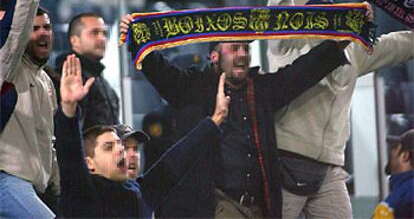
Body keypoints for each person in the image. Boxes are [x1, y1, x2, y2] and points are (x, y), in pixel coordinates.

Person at [121, 14, 351, 218]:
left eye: (246, 48)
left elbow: (299, 73)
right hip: (219, 206)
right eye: (234, 48)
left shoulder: (260, 89)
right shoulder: (196, 87)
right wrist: (137, 38)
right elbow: (164, 74)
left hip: (260, 207)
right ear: (214, 57)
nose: (242, 55)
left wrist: (338, 44)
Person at [266, 0, 414, 219]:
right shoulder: (285, 42)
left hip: (330, 170)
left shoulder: (352, 50)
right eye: (318, 14)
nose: (326, 19)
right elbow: (279, 0)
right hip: (285, 161)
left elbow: (401, 45)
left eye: (331, 14)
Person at [55, 54, 229, 218]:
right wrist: (68, 109)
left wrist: (216, 119)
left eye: (119, 145)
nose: (120, 151)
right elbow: (70, 158)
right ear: (89, 164)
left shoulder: (142, 192)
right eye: (109, 147)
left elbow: (179, 158)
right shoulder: (82, 195)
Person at [0, 0, 63, 218]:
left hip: (33, 185)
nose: (41, 34)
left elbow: (47, 142)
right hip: (6, 180)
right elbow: (12, 36)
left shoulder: (46, 80)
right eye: (33, 28)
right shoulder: (9, 66)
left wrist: (57, 188)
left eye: (46, 28)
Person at [55, 12, 120, 129]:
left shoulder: (102, 82)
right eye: (94, 33)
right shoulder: (62, 79)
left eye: (104, 33)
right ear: (75, 40)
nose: (102, 39)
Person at [373, 129, 414, 218]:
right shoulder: (404, 191)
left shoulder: (407, 193)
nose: (391, 153)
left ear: (405, 156)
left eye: (395, 148)